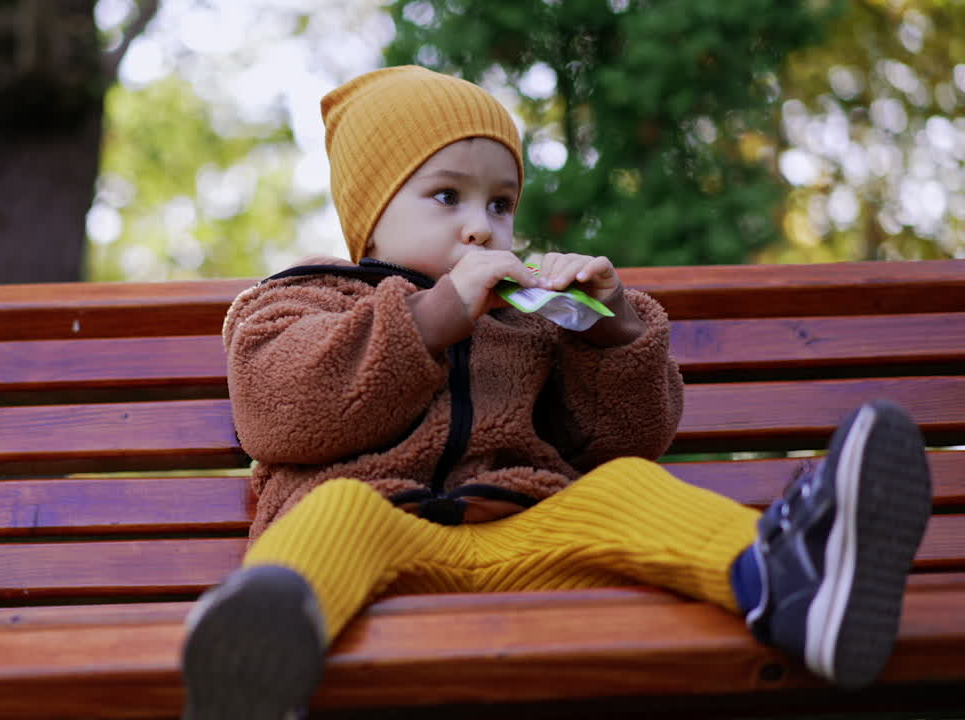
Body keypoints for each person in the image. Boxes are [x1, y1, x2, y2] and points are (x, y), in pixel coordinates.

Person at [180, 65, 933, 720]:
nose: (481, 227)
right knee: (335, 512)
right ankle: (260, 655)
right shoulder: (308, 298)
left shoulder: (525, 315)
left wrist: (607, 333)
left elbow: (623, 439)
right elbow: (280, 411)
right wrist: (431, 317)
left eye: (500, 203)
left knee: (629, 486)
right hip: (379, 537)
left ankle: (792, 579)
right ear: (371, 217)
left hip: (520, 531)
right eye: (448, 197)